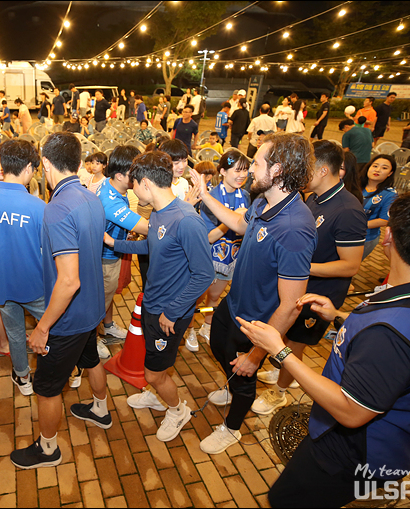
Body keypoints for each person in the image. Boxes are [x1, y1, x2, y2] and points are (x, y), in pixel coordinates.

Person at [241, 185, 410, 508]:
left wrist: (278, 349)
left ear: (389, 237)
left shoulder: (391, 333)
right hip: (395, 442)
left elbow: (351, 411)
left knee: (284, 500)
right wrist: (339, 317)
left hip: (349, 452)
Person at [191, 132, 317, 454]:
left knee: (244, 375)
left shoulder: (294, 228)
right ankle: (232, 385)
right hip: (233, 304)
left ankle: (232, 428)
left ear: (277, 170)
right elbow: (239, 224)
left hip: (256, 324)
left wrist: (256, 355)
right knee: (218, 346)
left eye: (257, 163)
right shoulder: (263, 200)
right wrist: (204, 195)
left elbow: (290, 305)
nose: (249, 170)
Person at [10, 132, 111, 469]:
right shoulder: (91, 197)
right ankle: (100, 410)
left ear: (47, 164)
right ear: (79, 163)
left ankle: (48, 448)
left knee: (46, 387)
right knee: (91, 359)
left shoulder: (57, 209)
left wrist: (42, 328)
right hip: (93, 307)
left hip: (69, 318)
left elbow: (68, 281)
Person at [107, 150, 213, 441]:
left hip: (169, 313)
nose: (132, 190)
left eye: (133, 184)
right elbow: (152, 246)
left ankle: (178, 410)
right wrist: (114, 243)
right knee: (153, 362)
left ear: (145, 183)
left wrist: (172, 312)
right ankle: (157, 394)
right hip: (154, 306)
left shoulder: (186, 220)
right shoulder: (159, 212)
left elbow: (204, 275)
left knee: (154, 373)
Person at [253, 141, 367, 414]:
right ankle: (282, 372)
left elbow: (350, 266)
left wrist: (299, 268)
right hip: (300, 286)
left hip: (320, 294)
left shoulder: (348, 210)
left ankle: (280, 392)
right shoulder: (314, 197)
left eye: (308, 166)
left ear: (324, 170)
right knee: (286, 335)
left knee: (295, 342)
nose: (301, 171)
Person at [0, 140, 45, 391]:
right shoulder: (38, 207)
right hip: (34, 284)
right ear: (28, 168)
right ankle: (50, 371)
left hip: (1, 283)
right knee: (49, 328)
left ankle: (22, 376)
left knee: (14, 333)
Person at [92, 146, 149, 366]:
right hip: (105, 258)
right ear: (119, 175)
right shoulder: (111, 202)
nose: (139, 178)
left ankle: (107, 326)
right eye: (134, 174)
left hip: (109, 253)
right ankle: (92, 338)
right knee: (100, 299)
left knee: (107, 295)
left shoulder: (111, 186)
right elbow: (149, 228)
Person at [196, 151, 250, 349]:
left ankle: (206, 326)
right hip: (209, 257)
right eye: (237, 170)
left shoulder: (245, 196)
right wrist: (233, 220)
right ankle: (188, 329)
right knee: (197, 298)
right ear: (223, 171)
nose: (242, 175)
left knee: (214, 297)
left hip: (231, 257)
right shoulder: (211, 197)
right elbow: (208, 238)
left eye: (245, 170)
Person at [360, 154, 397, 259]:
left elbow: (384, 220)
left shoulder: (390, 194)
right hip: (340, 232)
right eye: (375, 166)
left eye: (384, 168)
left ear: (390, 173)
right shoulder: (355, 185)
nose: (378, 170)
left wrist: (356, 225)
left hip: (365, 238)